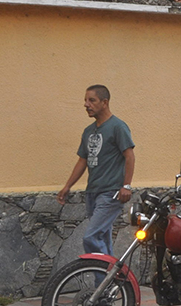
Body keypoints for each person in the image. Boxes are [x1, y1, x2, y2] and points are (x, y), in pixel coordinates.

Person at [57, 85, 136, 256]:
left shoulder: (117, 127)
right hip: (92, 192)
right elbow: (82, 160)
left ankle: (102, 280)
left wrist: (126, 186)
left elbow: (129, 156)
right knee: (102, 238)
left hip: (111, 192)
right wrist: (67, 186)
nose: (86, 104)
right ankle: (111, 280)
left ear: (104, 102)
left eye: (91, 100)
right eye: (85, 100)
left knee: (91, 237)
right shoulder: (88, 131)